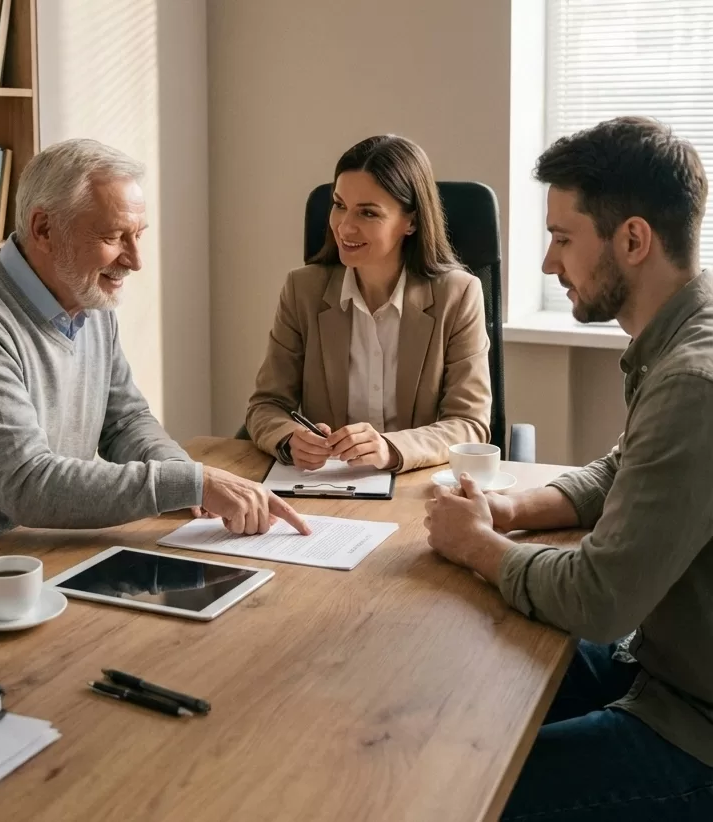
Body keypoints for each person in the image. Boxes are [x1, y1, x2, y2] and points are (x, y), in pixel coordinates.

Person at [425, 116, 713, 820]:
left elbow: (599, 599)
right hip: (663, 665)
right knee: (468, 687)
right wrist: (512, 511)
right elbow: (622, 470)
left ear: (634, 240)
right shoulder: (681, 340)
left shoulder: (691, 384)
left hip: (693, 728)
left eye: (561, 239)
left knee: (455, 792)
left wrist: (476, 546)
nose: (550, 265)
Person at [0, 138, 308, 567]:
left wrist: (183, 480)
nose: (134, 260)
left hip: (50, 549)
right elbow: (27, 484)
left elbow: (124, 422)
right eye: (113, 236)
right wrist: (192, 483)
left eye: (138, 235)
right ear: (44, 229)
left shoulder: (88, 296)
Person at [245, 135, 491, 474]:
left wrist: (391, 449)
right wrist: (290, 437)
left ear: (412, 222)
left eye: (368, 213)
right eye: (340, 205)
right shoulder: (302, 290)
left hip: (417, 488)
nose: (344, 226)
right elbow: (267, 404)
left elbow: (469, 423)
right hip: (324, 487)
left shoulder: (458, 295)